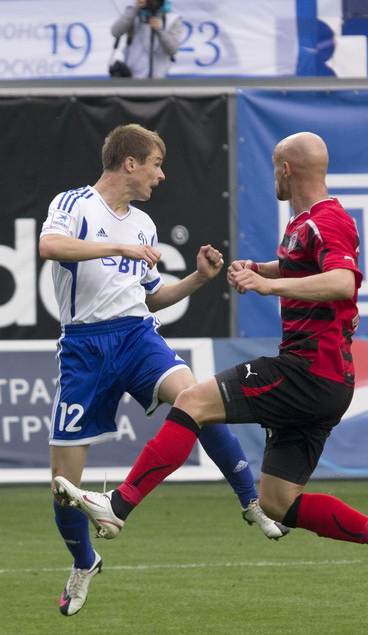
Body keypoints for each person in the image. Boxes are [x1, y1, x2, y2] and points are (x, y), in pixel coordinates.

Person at [54, 131, 368, 610]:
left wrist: (266, 287)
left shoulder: (326, 220)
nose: (273, 174)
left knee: (193, 401)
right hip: (327, 379)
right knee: (281, 502)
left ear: (286, 170)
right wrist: (266, 269)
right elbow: (307, 270)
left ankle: (119, 505)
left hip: (307, 369)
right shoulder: (303, 225)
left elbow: (341, 282)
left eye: (275, 166)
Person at [41, 124, 287, 618]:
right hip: (85, 349)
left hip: (136, 336)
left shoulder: (145, 225)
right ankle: (85, 562)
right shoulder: (74, 204)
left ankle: (250, 499)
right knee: (63, 489)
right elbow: (50, 247)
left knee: (198, 399)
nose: (161, 173)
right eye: (155, 163)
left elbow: (151, 296)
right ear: (129, 163)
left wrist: (199, 277)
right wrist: (118, 248)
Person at [110, 0, 182, 79]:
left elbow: (173, 50)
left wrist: (160, 30)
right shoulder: (132, 13)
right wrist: (135, 9)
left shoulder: (172, 18)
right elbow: (115, 32)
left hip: (157, 82)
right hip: (130, 81)